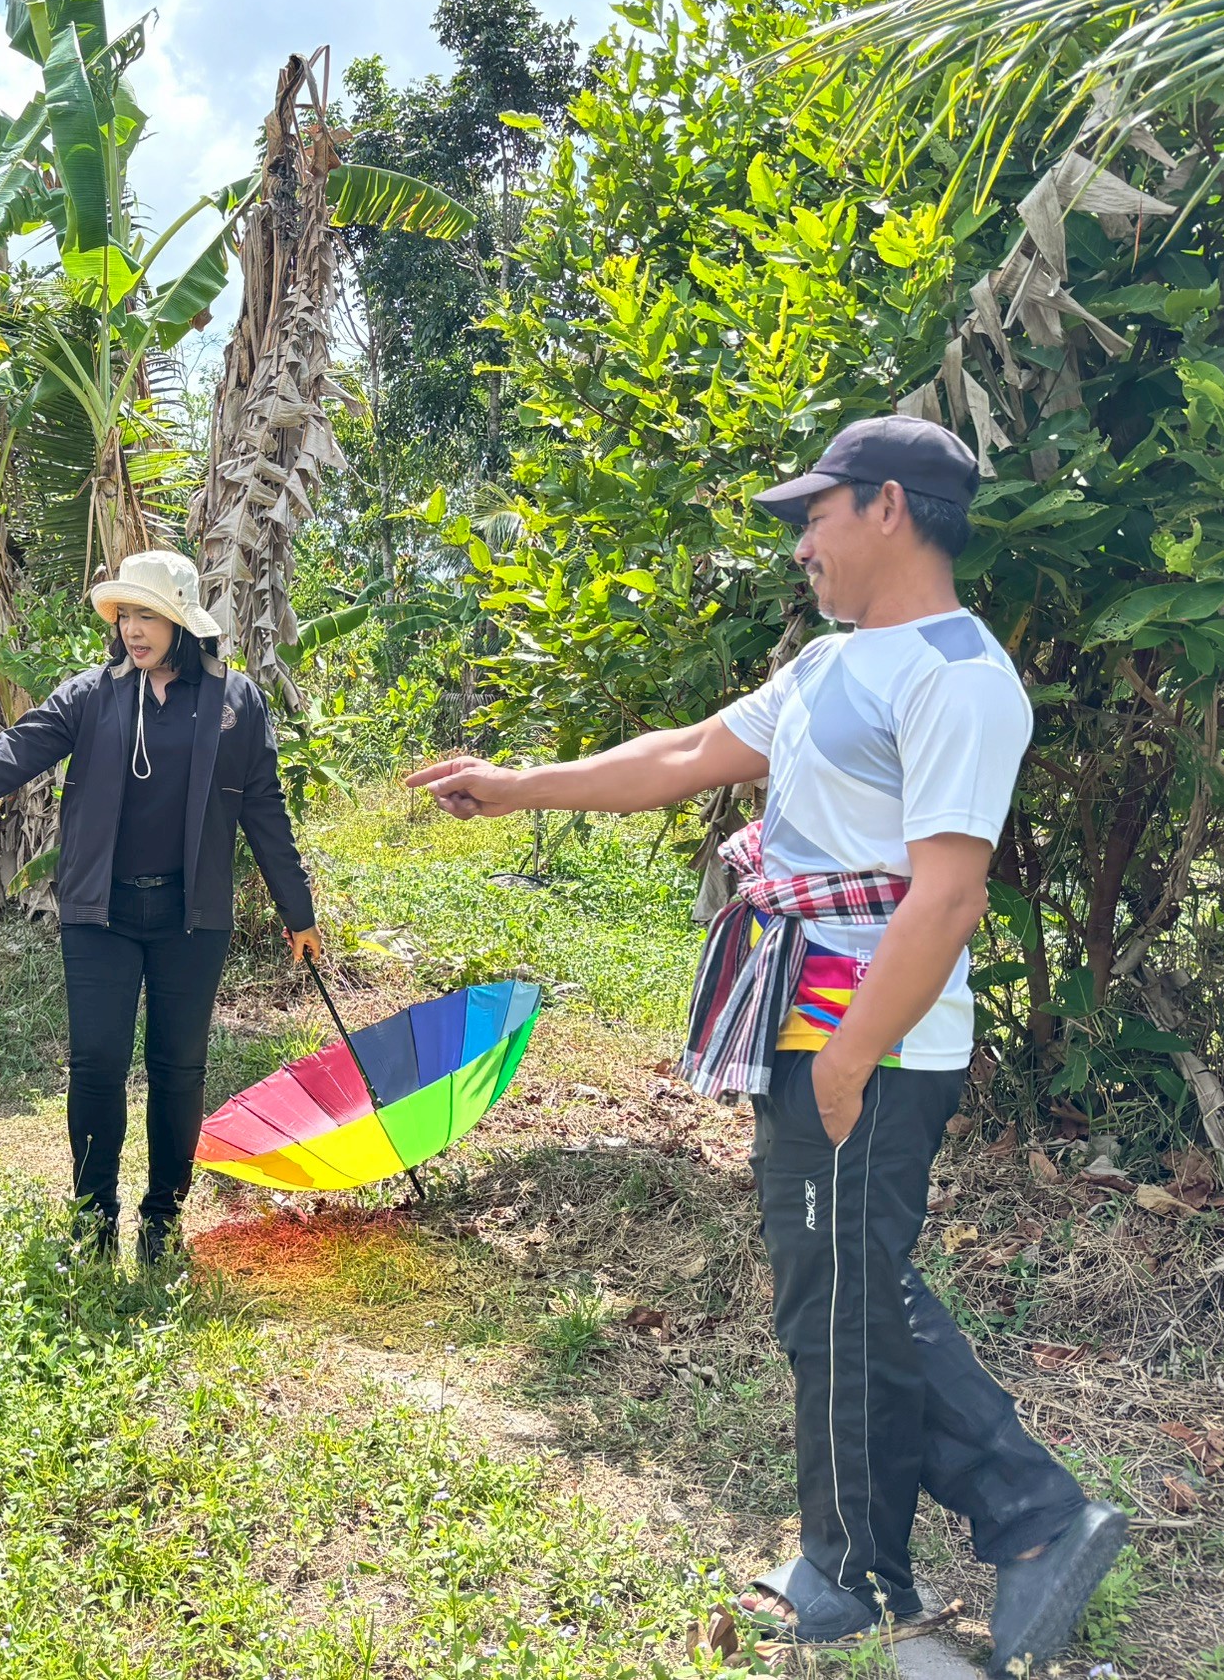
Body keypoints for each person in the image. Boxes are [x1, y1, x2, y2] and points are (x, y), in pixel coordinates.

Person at [407, 415, 1120, 1673]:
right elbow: (683, 755)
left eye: (817, 514)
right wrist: (516, 781)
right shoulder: (832, 664)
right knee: (842, 1288)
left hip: (873, 1039)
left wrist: (848, 1055)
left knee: (840, 1290)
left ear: (888, 508)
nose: (801, 542)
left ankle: (983, 1533)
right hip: (800, 1017)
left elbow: (947, 895)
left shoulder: (956, 675)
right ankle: (925, 1547)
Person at [0, 551, 320, 1267]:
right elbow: (9, 756)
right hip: (100, 913)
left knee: (180, 1067)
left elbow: (265, 808)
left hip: (191, 917)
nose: (132, 630)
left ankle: (164, 1218)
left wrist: (298, 911)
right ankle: (94, 1216)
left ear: (181, 620)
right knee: (98, 1063)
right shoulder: (92, 695)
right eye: (124, 616)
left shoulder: (235, 702)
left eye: (147, 615)